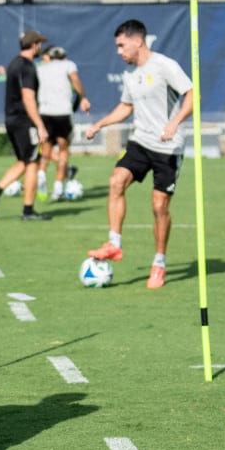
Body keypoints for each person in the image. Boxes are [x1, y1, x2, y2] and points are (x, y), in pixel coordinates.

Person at [85, 19, 193, 290]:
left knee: (159, 206)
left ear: (138, 41)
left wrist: (174, 122)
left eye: (122, 45)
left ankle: (159, 263)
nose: (119, 51)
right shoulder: (130, 74)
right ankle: (114, 243)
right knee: (116, 181)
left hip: (167, 147)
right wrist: (100, 124)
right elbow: (126, 107)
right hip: (140, 142)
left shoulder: (164, 65)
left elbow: (192, 95)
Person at [0, 30, 50, 221]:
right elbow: (28, 97)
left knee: (24, 161)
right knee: (32, 163)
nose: (41, 47)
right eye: (40, 43)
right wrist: (40, 125)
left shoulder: (14, 63)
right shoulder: (27, 66)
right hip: (24, 121)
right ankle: (28, 211)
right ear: (35, 44)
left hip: (12, 120)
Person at [36, 44, 91, 200]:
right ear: (63, 57)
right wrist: (83, 97)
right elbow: (75, 81)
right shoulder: (69, 65)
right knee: (63, 150)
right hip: (63, 113)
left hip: (45, 112)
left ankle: (41, 174)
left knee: (45, 148)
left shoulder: (41, 68)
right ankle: (58, 188)